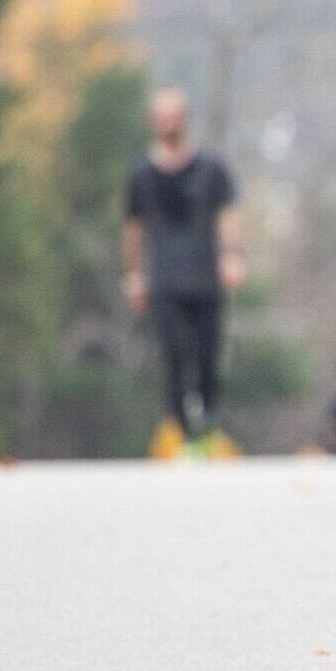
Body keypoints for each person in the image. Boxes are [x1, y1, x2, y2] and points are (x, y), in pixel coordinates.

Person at [124, 88, 245, 459]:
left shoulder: (211, 168)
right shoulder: (141, 174)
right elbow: (133, 227)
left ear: (185, 118)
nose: (168, 123)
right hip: (164, 280)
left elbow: (228, 214)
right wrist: (133, 274)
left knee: (208, 356)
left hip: (205, 276)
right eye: (162, 116)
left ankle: (206, 428)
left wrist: (231, 256)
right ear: (153, 122)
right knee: (175, 354)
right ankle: (178, 430)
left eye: (174, 116)